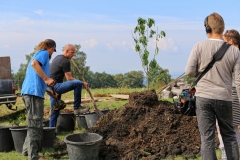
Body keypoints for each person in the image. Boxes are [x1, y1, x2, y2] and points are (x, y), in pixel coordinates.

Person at [185, 12, 240, 160]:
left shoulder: (199, 46)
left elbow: (189, 71)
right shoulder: (234, 51)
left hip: (203, 98)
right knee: (229, 136)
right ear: (223, 29)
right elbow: (239, 81)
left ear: (207, 29)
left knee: (207, 138)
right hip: (225, 98)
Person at [21, 39, 57, 160]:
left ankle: (27, 151)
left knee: (33, 122)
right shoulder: (44, 53)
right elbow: (34, 64)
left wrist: (48, 90)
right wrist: (47, 79)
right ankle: (34, 156)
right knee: (35, 123)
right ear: (50, 47)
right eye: (53, 50)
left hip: (30, 92)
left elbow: (35, 78)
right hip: (33, 94)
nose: (52, 53)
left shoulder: (38, 54)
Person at [49, 44, 89, 127]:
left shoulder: (57, 57)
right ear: (66, 51)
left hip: (51, 88)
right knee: (77, 83)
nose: (73, 55)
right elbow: (69, 78)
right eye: (72, 52)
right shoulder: (65, 61)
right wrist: (82, 82)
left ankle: (52, 134)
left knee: (55, 111)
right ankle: (77, 108)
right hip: (56, 86)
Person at [216, 29, 240, 159]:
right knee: (234, 131)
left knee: (224, 133)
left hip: (228, 94)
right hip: (236, 95)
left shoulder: (230, 55)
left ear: (230, 42)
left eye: (224, 42)